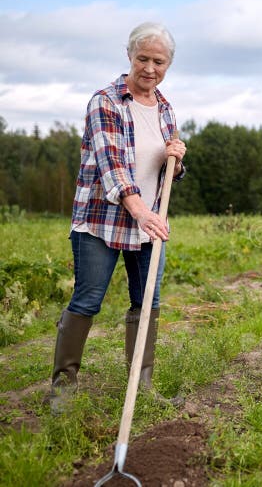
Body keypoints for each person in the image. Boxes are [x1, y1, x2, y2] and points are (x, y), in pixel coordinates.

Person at [47, 22, 187, 412]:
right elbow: (113, 167)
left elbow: (162, 173)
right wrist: (141, 211)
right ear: (129, 56)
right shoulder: (104, 102)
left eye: (158, 61)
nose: (149, 68)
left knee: (147, 301)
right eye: (143, 58)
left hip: (147, 220)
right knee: (88, 297)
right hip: (101, 220)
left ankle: (141, 385)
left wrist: (175, 161)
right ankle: (63, 387)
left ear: (168, 64)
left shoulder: (165, 108)